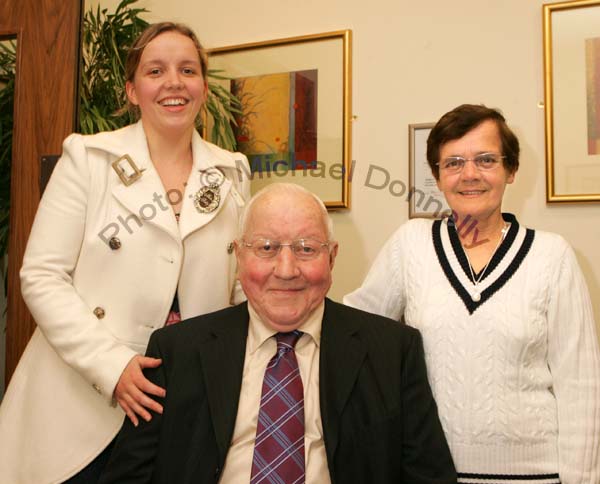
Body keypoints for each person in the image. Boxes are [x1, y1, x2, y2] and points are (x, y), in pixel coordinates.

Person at [0, 22, 250, 484]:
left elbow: (236, 285)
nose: (174, 82)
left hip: (182, 401)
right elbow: (41, 275)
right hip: (82, 398)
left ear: (202, 86)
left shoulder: (231, 171)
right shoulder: (88, 159)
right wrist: (113, 368)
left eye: (188, 70)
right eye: (156, 71)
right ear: (133, 90)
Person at [98, 183, 457, 484]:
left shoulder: (391, 351)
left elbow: (429, 477)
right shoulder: (177, 351)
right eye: (266, 248)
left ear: (331, 258)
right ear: (239, 257)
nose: (286, 270)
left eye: (306, 249)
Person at [345, 104, 600, 484]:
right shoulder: (410, 244)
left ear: (511, 170)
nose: (469, 175)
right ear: (437, 175)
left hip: (535, 477)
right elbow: (353, 330)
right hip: (427, 471)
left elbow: (580, 383)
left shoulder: (552, 255)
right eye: (453, 163)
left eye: (485, 160)